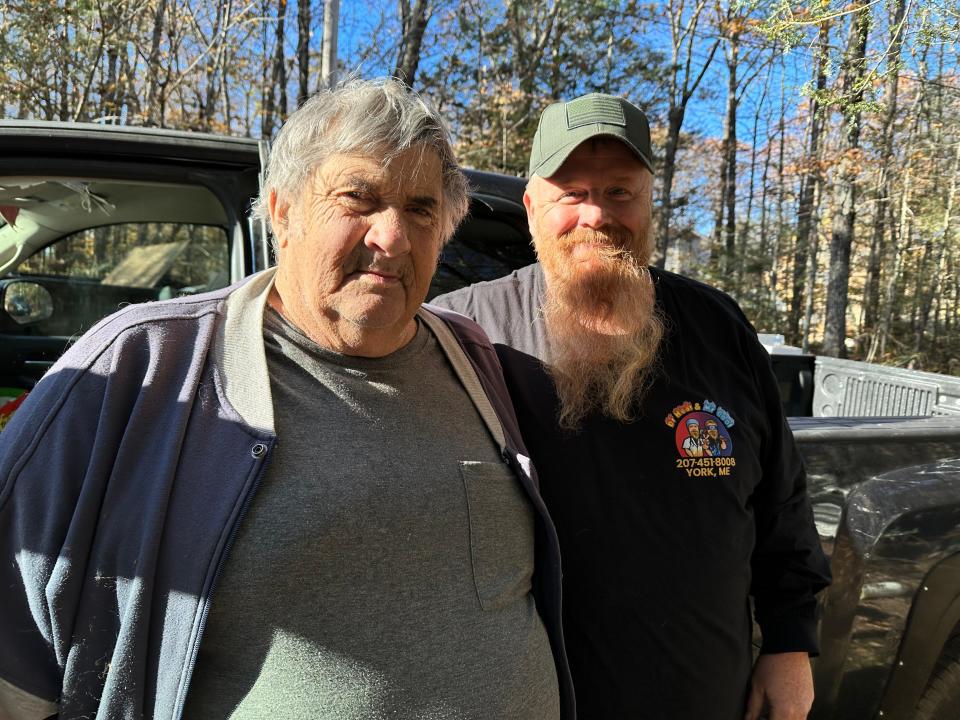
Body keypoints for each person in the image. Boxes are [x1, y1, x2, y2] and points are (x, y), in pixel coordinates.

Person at [0, 79, 572, 720]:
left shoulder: (475, 358)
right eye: (358, 197)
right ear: (282, 211)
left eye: (420, 209)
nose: (393, 237)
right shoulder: (141, 363)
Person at [433, 92, 832, 720]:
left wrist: (790, 643)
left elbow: (781, 501)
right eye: (571, 193)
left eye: (621, 191)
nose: (597, 214)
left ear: (650, 200)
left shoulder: (718, 326)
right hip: (531, 703)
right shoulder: (465, 332)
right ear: (532, 205)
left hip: (703, 693)